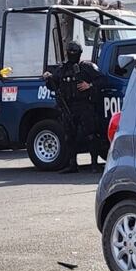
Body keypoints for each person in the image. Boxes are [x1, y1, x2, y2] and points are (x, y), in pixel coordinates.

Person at [42, 41, 105, 173]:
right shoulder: (62, 70)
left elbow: (102, 79)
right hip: (68, 108)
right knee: (69, 136)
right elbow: (53, 85)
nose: (72, 54)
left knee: (91, 135)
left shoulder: (87, 67)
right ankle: (72, 165)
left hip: (84, 106)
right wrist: (48, 78)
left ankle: (94, 164)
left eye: (74, 52)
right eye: (70, 52)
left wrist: (90, 85)